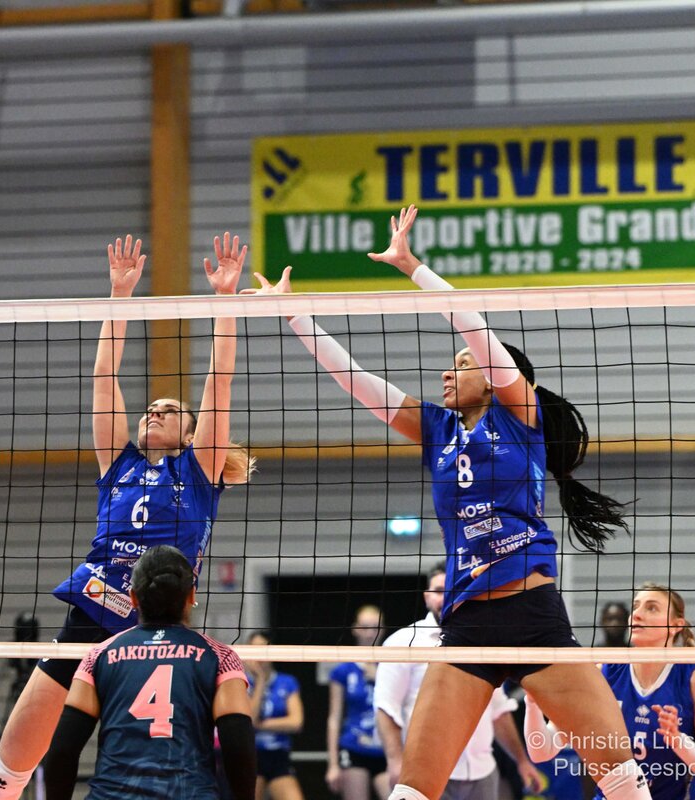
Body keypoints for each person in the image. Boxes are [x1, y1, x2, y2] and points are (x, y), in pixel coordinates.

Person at [245, 205, 649, 800]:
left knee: (622, 779)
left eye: (462, 366)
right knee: (413, 790)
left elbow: (473, 326)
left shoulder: (519, 416)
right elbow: (356, 381)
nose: (448, 372)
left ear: (495, 377)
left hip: (533, 614)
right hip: (465, 622)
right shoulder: (437, 428)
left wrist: (412, 267)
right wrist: (296, 316)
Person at [0, 233, 254, 800]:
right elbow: (104, 378)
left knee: (155, 759)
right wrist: (119, 296)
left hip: (157, 626)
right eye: (151, 408)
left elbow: (220, 383)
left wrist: (225, 299)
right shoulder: (119, 463)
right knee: (12, 759)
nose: (155, 412)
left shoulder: (198, 470)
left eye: (170, 411)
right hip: (91, 614)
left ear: (191, 433)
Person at [41, 545, 256, 800]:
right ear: (191, 595)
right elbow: (238, 749)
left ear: (133, 597)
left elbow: (62, 751)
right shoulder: (222, 658)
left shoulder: (98, 656)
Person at [525, 584, 695, 799]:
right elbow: (542, 750)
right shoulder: (604, 673)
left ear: (675, 625)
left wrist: (679, 741)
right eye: (636, 606)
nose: (637, 614)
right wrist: (532, 704)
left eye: (651, 608)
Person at [374, 562, 541, 800]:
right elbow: (386, 708)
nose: (445, 598)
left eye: (452, 590)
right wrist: (395, 762)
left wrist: (522, 761)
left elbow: (498, 711)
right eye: (438, 591)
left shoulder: (484, 641)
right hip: (426, 772)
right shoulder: (403, 642)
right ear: (426, 597)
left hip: (482, 771)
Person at [327, 604, 389, 800]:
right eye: (365, 627)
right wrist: (333, 764)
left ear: (383, 629)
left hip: (387, 748)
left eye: (375, 627)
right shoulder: (343, 669)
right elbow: (334, 718)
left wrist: (379, 678)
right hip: (354, 747)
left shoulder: (392, 665)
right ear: (355, 629)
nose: (370, 633)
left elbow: (405, 707)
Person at [247, 631, 304, 800]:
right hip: (251, 755)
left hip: (278, 755)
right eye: (254, 649)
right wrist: (260, 681)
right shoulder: (241, 682)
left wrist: (259, 725)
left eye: (262, 649)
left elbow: (296, 722)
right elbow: (250, 720)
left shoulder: (287, 682)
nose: (259, 655)